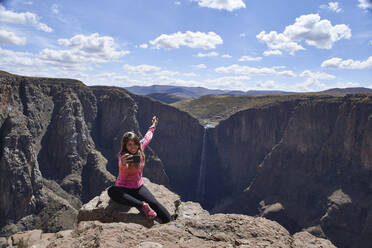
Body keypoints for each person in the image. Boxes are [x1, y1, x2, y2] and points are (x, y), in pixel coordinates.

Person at [107, 116, 171, 223]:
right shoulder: (123, 156)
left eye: (135, 144)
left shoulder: (141, 147)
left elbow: (147, 137)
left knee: (154, 203)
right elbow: (123, 168)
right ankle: (142, 205)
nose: (133, 147)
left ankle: (169, 221)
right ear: (125, 146)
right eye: (129, 145)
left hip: (138, 187)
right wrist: (123, 163)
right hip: (123, 188)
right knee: (112, 191)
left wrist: (154, 125)